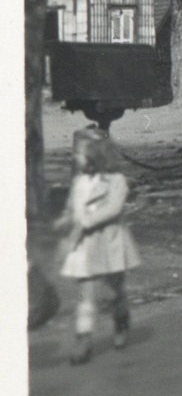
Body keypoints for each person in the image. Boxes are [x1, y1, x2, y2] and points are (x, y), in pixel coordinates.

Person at [55, 127, 141, 365]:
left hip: (109, 242)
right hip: (84, 244)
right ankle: (83, 340)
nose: (77, 157)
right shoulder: (79, 182)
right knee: (85, 294)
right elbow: (72, 208)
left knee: (115, 290)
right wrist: (64, 220)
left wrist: (87, 220)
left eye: (81, 153)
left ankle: (121, 318)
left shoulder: (116, 181)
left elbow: (113, 209)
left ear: (97, 154)